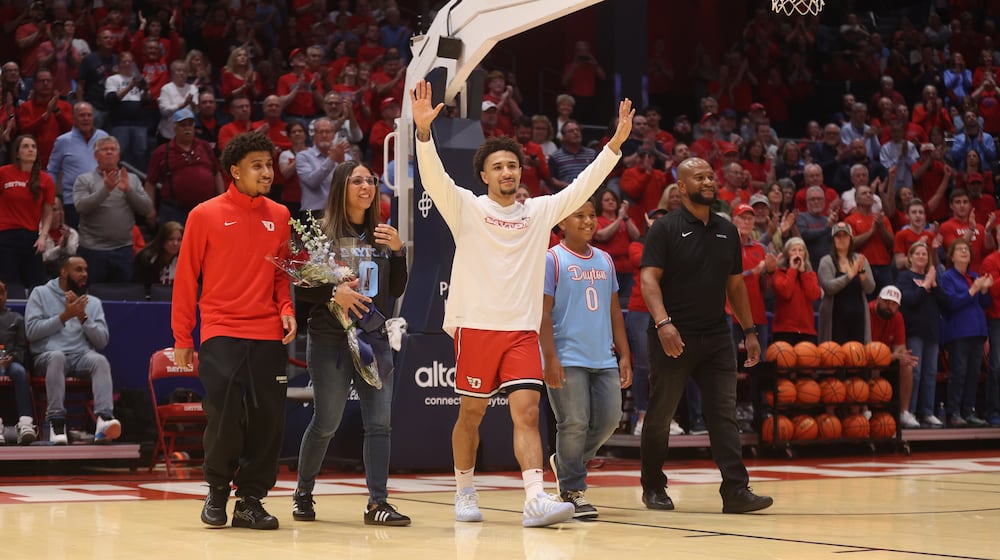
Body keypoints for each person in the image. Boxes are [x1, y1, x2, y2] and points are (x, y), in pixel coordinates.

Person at [411, 80, 632, 527]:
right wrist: (421, 133)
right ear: (485, 176)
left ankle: (534, 497)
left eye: (513, 165)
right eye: (498, 167)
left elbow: (582, 185)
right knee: (470, 415)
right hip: (476, 326)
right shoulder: (466, 208)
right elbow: (433, 178)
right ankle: (465, 490)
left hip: (521, 331)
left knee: (528, 412)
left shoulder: (539, 212)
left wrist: (613, 146)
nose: (508, 172)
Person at [172, 132, 297, 530]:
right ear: (235, 171)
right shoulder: (204, 214)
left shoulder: (280, 215)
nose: (266, 172)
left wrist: (287, 308)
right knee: (225, 417)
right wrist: (181, 338)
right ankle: (217, 490)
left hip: (267, 333)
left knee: (268, 420)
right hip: (221, 329)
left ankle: (251, 500)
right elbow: (186, 278)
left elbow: (281, 275)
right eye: (257, 165)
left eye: (269, 164)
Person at [639, 156, 773, 514]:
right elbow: (648, 279)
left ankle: (736, 491)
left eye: (711, 176)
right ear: (681, 187)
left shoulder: (727, 231)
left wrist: (749, 331)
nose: (709, 182)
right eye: (700, 178)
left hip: (716, 336)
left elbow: (735, 286)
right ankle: (653, 485)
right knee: (660, 414)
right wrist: (663, 323)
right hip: (673, 336)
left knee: (723, 415)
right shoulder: (665, 228)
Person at [291, 160, 410, 526]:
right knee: (327, 422)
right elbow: (301, 289)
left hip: (373, 338)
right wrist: (334, 293)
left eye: (371, 181)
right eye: (357, 180)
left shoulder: (383, 234)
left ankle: (377, 503)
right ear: (342, 187)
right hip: (330, 338)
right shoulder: (320, 231)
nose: (366, 186)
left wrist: (400, 252)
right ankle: (303, 492)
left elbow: (395, 289)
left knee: (379, 423)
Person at [540, 197, 632, 519]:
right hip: (566, 356)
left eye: (592, 215)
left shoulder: (606, 260)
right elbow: (543, 313)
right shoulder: (552, 259)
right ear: (561, 223)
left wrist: (625, 354)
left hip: (603, 356)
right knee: (574, 423)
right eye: (579, 215)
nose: (589, 221)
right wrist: (549, 358)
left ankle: (566, 464)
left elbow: (613, 311)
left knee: (609, 420)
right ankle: (573, 490)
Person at [24, 255, 121, 445]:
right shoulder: (40, 294)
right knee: (57, 357)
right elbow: (31, 332)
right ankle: (56, 422)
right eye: (78, 270)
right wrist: (64, 316)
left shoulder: (92, 302)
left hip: (80, 356)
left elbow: (101, 341)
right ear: (63, 272)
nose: (84, 274)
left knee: (99, 361)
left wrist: (82, 317)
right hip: (47, 356)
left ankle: (104, 421)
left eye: (85, 270)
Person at [73, 137, 152, 283]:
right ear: (96, 156)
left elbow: (146, 208)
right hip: (92, 250)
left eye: (113, 149)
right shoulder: (84, 179)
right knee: (91, 298)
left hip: (123, 250)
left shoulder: (132, 179)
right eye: (104, 149)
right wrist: (106, 190)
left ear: (118, 155)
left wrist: (129, 190)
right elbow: (81, 207)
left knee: (122, 298)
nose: (109, 152)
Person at [940, 238, 992, 428]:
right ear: (951, 255)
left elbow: (985, 304)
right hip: (958, 332)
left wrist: (984, 291)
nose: (964, 252)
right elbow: (950, 303)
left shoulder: (973, 275)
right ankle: (953, 412)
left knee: (973, 373)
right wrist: (972, 291)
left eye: (967, 250)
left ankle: (968, 411)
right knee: (959, 372)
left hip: (977, 331)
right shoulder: (947, 277)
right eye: (959, 249)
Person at [897, 242, 948, 428]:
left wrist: (933, 285)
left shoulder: (933, 280)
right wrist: (924, 285)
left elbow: (945, 303)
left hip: (932, 333)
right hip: (914, 332)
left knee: (930, 373)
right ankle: (908, 411)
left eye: (924, 254)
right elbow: (907, 300)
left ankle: (926, 412)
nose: (921, 257)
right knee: (915, 373)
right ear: (910, 257)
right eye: (917, 254)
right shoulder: (905, 277)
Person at [145, 108, 225, 226]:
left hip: (206, 208)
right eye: (182, 125)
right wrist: (150, 209)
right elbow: (150, 183)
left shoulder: (205, 147)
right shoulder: (162, 151)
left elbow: (216, 173)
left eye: (190, 124)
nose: (187, 128)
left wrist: (221, 201)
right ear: (175, 128)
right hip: (174, 211)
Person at [0, 135, 55, 289]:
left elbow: (48, 212)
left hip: (31, 238)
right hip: (5, 237)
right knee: (9, 285)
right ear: (17, 153)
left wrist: (43, 236)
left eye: (33, 146)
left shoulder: (45, 179)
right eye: (25, 146)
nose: (30, 150)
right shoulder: (3, 173)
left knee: (37, 286)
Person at [47, 102, 108, 228]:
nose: (86, 118)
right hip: (73, 202)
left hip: (101, 200)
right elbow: (52, 170)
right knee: (77, 243)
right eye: (81, 115)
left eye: (89, 115)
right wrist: (51, 194)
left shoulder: (104, 137)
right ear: (74, 118)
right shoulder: (63, 141)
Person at [868, 285, 920, 429]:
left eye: (893, 304)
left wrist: (901, 356)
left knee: (907, 365)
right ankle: (867, 410)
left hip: (886, 358)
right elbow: (864, 350)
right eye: (886, 302)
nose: (889, 306)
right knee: (874, 365)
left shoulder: (897, 317)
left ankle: (904, 412)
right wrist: (890, 356)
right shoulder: (867, 311)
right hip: (866, 359)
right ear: (878, 299)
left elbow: (901, 348)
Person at [818, 222, 875, 343]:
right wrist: (849, 276)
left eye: (845, 235)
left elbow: (870, 288)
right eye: (838, 236)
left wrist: (862, 272)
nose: (842, 239)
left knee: (858, 357)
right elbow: (829, 287)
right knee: (834, 357)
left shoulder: (860, 260)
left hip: (858, 316)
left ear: (851, 239)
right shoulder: (826, 261)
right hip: (834, 318)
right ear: (833, 239)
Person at [0, 280, 38, 445]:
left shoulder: (16, 318)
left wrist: (12, 358)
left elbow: (21, 347)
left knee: (20, 372)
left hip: (10, 362)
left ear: (6, 295)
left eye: (1, 292)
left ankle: (25, 423)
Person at [771, 237, 821, 344]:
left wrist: (803, 273)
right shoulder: (779, 273)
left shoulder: (810, 275)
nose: (797, 253)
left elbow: (813, 295)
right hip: (784, 330)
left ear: (805, 254)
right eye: (793, 250)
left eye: (800, 250)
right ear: (787, 254)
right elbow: (785, 293)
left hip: (807, 331)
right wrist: (792, 270)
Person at [133, 220, 182, 293]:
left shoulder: (186, 259)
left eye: (179, 240)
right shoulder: (145, 259)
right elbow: (141, 288)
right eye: (171, 239)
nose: (175, 243)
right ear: (162, 240)